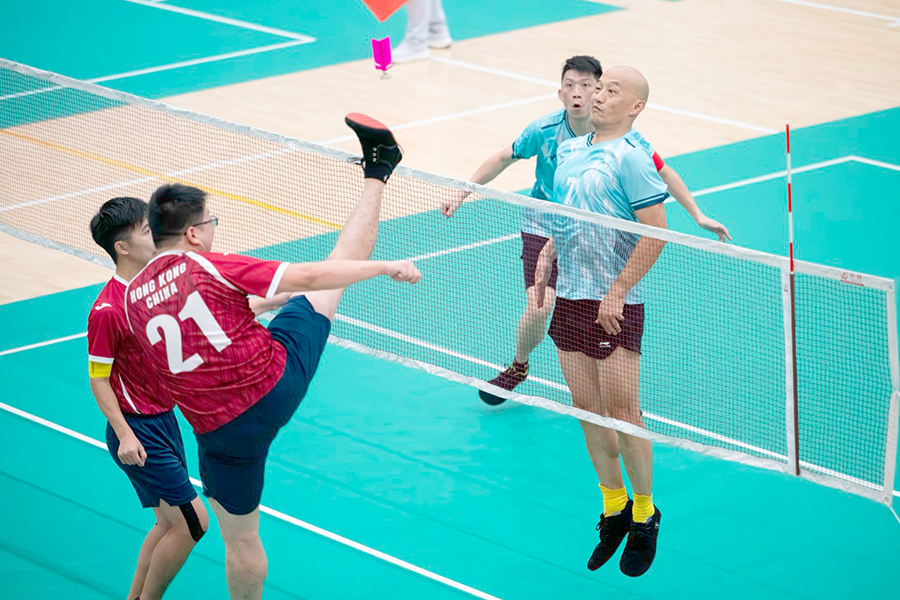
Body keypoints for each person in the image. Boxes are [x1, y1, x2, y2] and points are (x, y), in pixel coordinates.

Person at [123, 114, 419, 600]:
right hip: (272, 382)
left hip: (220, 433)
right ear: (194, 233)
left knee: (239, 539)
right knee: (330, 283)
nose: (213, 230)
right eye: (210, 223)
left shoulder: (132, 299)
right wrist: (386, 266)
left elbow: (187, 340)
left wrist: (256, 306)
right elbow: (307, 277)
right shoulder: (210, 263)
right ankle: (380, 169)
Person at [441, 55, 729, 406]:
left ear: (597, 90)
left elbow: (664, 171)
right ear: (560, 93)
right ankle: (519, 366)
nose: (578, 93)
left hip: (597, 235)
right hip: (543, 224)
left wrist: (697, 215)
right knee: (538, 307)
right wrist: (462, 191)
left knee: (597, 309)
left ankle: (599, 385)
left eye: (586, 85)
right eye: (569, 85)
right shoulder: (544, 130)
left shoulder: (624, 140)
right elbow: (504, 157)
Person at [534, 65, 669, 577]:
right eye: (598, 86)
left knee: (622, 412)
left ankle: (644, 514)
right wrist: (550, 248)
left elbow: (657, 232)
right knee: (587, 408)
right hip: (570, 294)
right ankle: (612, 507)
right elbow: (571, 212)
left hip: (615, 303)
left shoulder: (632, 157)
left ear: (634, 106)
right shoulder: (569, 150)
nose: (597, 94)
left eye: (612, 90)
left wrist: (617, 290)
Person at [88, 197, 209, 600]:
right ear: (122, 247)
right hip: (137, 431)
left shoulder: (151, 289)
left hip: (164, 420)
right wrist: (124, 434)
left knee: (167, 524)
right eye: (145, 231)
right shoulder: (107, 309)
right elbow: (99, 379)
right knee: (194, 522)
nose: (154, 236)